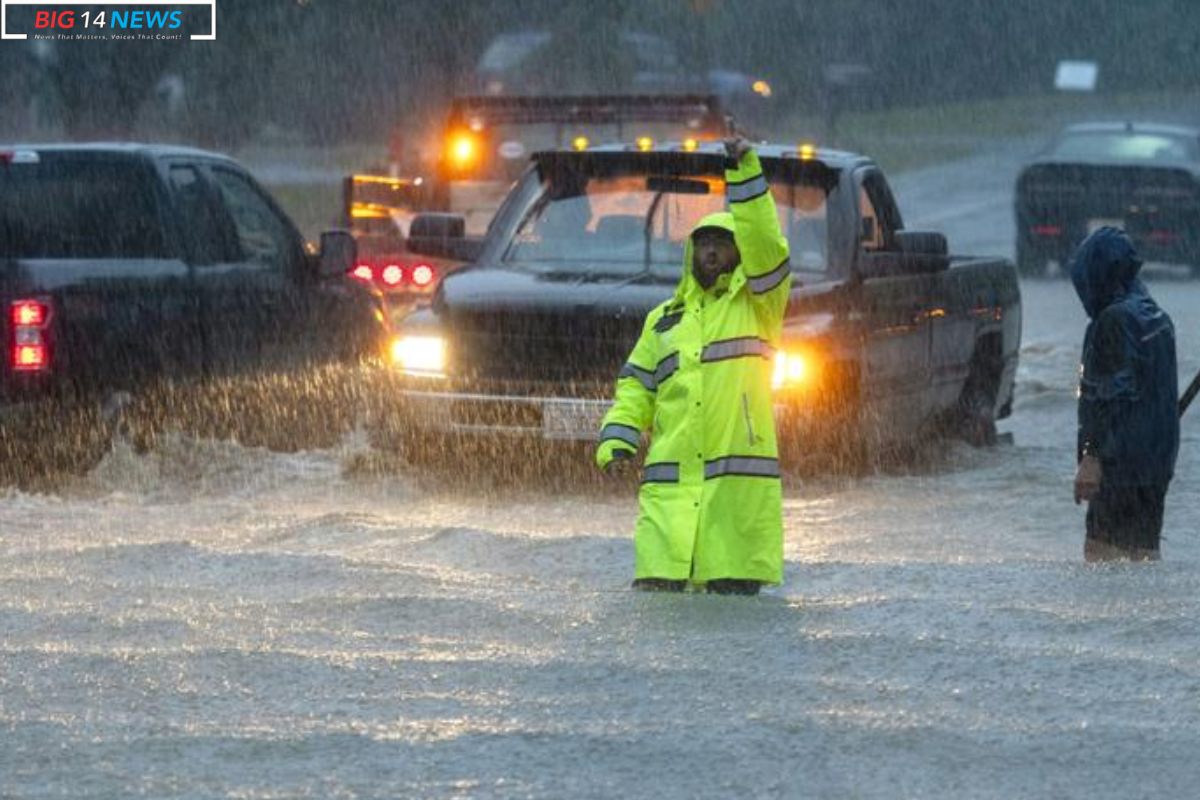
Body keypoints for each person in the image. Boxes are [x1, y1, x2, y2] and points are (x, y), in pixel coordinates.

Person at [595, 136, 791, 594]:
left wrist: (743, 171)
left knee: (732, 642)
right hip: (668, 514)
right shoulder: (663, 321)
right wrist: (617, 438)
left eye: (723, 243)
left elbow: (767, 241)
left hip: (734, 521)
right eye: (703, 242)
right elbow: (636, 387)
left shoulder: (759, 307)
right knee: (659, 634)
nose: (711, 251)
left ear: (741, 253)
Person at [1071, 226, 1179, 562]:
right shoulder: (1158, 319)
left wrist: (1091, 456)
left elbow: (1104, 398)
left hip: (1118, 468)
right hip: (1156, 466)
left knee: (1102, 563)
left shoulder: (1112, 322)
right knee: (1143, 559)